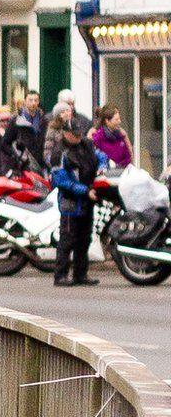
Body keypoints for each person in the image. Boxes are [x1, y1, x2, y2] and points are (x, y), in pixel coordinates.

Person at [49, 116, 101, 286]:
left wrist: (102, 168)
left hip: (88, 197)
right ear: (65, 133)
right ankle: (60, 275)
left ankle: (81, 274)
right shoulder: (58, 153)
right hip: (70, 201)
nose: (78, 137)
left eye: (79, 133)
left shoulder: (86, 144)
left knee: (84, 238)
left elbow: (100, 157)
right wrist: (85, 191)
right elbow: (62, 181)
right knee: (67, 238)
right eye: (74, 134)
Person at [91, 105, 134, 172]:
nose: (119, 121)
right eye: (116, 119)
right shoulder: (97, 137)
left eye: (119, 119)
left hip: (122, 175)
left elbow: (128, 157)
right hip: (105, 177)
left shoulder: (121, 136)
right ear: (107, 121)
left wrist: (126, 138)